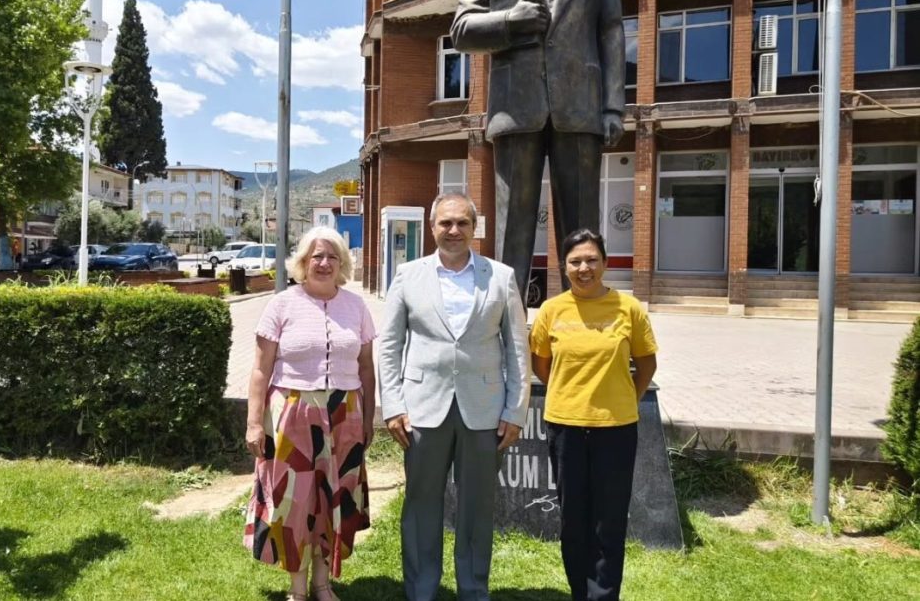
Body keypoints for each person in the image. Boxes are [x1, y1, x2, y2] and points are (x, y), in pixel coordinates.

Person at [378, 192, 530, 601]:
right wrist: (392, 405)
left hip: (484, 411)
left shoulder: (500, 277)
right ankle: (422, 590)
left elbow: (517, 348)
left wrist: (516, 410)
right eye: (445, 223)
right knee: (421, 504)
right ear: (432, 228)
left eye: (462, 223)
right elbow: (389, 346)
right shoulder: (408, 275)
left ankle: (473, 589)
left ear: (474, 229)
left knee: (478, 508)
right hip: (422, 410)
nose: (453, 230)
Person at [451, 0, 626, 297]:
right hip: (516, 107)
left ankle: (582, 320)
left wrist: (613, 107)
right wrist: (509, 21)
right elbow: (461, 29)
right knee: (511, 227)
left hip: (580, 106)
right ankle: (506, 322)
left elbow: (611, 31)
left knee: (582, 227)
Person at [243, 226, 377, 601]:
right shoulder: (282, 304)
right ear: (303, 262)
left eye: (332, 256)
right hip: (292, 413)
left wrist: (367, 419)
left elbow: (366, 368)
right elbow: (259, 368)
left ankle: (323, 583)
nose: (324, 263)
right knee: (294, 501)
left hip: (344, 415)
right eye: (316, 256)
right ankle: (297, 588)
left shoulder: (356, 306)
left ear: (342, 263)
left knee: (334, 500)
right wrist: (255, 423)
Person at [529, 229, 658, 601]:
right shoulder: (552, 311)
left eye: (591, 260)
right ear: (563, 266)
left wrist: (623, 399)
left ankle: (603, 595)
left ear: (605, 263)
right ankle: (578, 592)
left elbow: (646, 364)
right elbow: (542, 366)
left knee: (610, 520)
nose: (584, 268)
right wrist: (572, 394)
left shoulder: (628, 308)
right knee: (573, 520)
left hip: (615, 429)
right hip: (565, 426)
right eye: (575, 261)